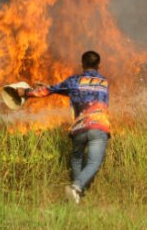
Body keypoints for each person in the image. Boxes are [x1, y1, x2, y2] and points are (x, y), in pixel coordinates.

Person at [23, 50, 110, 204]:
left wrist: (26, 93)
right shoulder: (104, 82)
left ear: (82, 64)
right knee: (94, 162)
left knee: (76, 159)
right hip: (98, 127)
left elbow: (50, 91)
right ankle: (77, 187)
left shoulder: (74, 81)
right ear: (99, 66)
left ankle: (77, 195)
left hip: (79, 128)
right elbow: (88, 93)